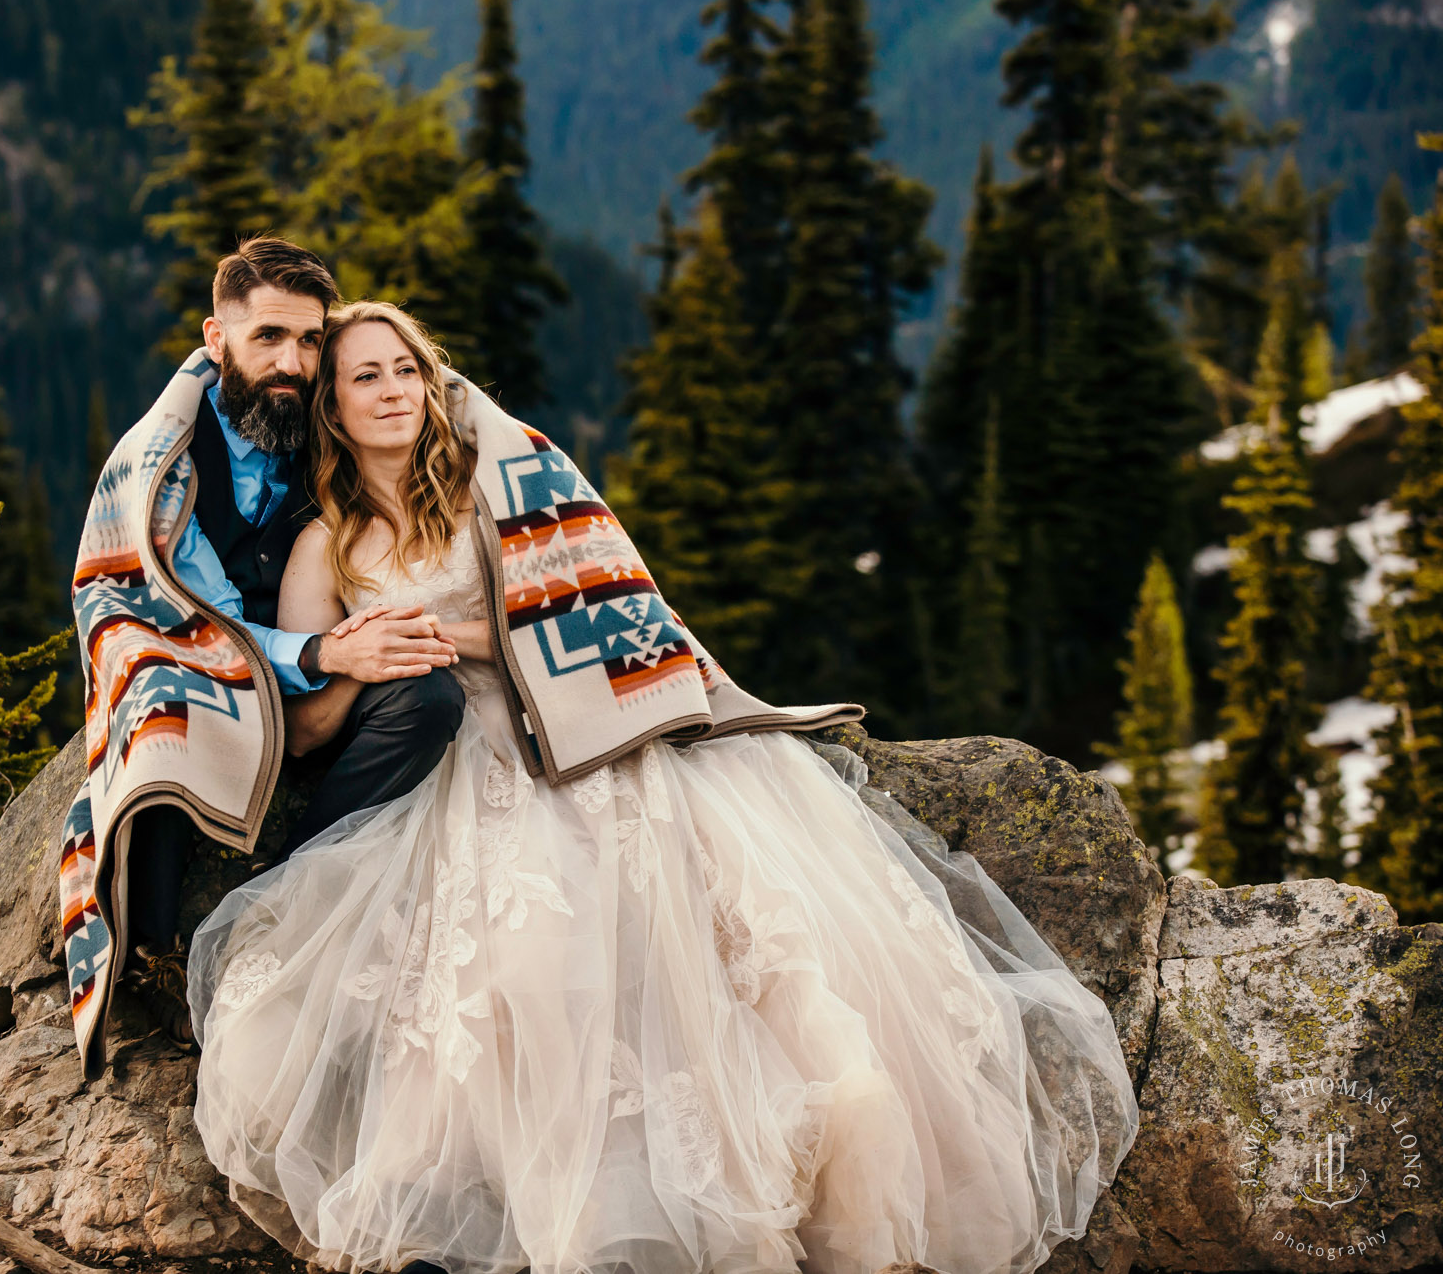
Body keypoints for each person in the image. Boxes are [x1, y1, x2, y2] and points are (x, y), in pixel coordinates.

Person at [184, 302, 1142, 1274]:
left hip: (570, 729)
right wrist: (351, 652)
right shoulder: (326, 547)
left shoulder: (496, 491)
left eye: (404, 370)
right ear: (335, 412)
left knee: (664, 899)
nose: (391, 392)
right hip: (456, 765)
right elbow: (305, 725)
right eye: (364, 378)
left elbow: (601, 615)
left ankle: (723, 1177)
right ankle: (536, 1198)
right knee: (514, 954)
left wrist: (450, 634)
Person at [109, 237, 468, 1052]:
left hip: (321, 661)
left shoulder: (326, 415)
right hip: (220, 667)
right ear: (216, 338)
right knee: (164, 704)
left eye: (309, 341)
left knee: (431, 694)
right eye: (268, 336)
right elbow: (206, 622)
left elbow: (413, 392)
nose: (292, 361)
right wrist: (323, 656)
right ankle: (153, 963)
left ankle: (293, 890)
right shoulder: (171, 462)